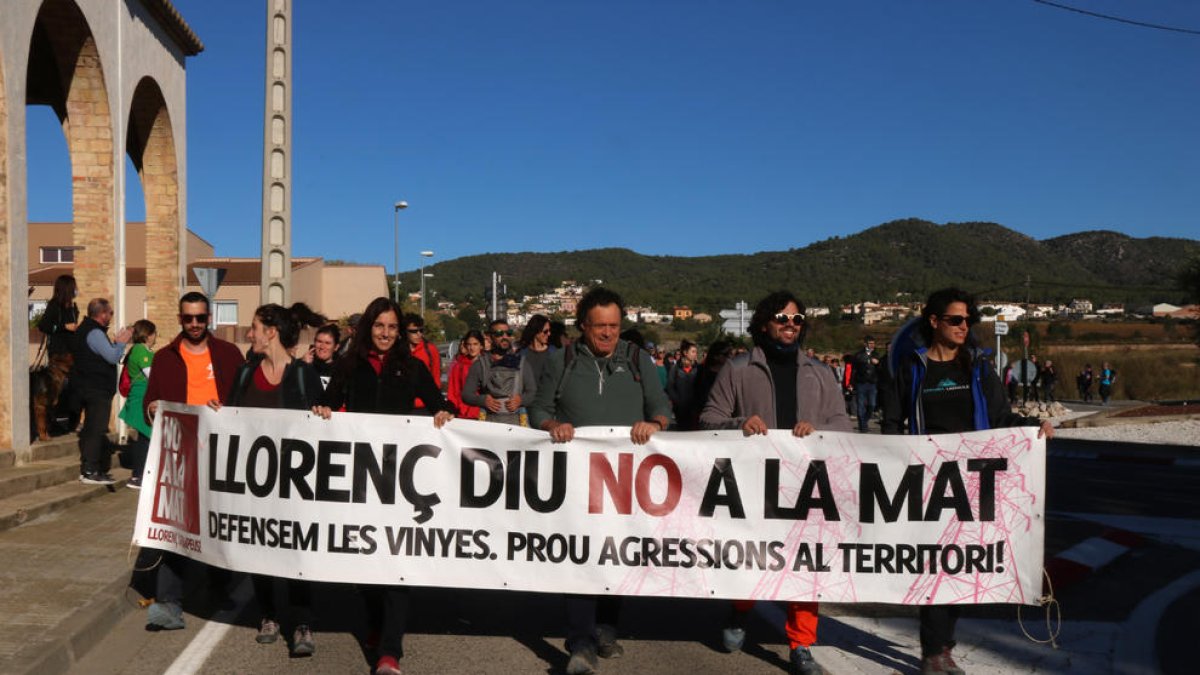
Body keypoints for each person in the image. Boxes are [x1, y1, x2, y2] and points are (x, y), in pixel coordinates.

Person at [881, 287, 1053, 675]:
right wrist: (891, 462)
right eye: (956, 320)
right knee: (933, 565)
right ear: (934, 322)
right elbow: (892, 422)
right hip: (923, 481)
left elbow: (1000, 418)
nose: (964, 327)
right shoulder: (911, 368)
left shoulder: (976, 366)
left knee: (959, 567)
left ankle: (940, 646)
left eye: (968, 321)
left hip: (971, 484)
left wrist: (1032, 428)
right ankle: (935, 651)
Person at [699, 291, 852, 675]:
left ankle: (801, 644)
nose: (790, 325)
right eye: (782, 319)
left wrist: (817, 430)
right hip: (752, 485)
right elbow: (708, 419)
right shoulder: (737, 369)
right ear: (765, 323)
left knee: (805, 564)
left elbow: (843, 424)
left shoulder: (820, 372)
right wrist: (739, 423)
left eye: (797, 320)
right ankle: (741, 608)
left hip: (806, 486)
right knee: (753, 557)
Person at [529, 287, 672, 675]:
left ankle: (606, 628)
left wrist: (655, 423)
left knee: (617, 553)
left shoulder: (638, 359)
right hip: (578, 478)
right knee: (582, 555)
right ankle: (581, 643)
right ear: (583, 327)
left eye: (614, 326)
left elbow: (662, 407)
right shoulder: (564, 360)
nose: (608, 334)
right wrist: (551, 424)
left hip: (627, 480)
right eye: (599, 327)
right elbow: (539, 406)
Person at [314, 297, 454, 675]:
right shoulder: (349, 364)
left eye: (393, 328)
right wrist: (323, 409)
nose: (387, 334)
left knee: (396, 565)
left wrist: (442, 411)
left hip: (398, 483)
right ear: (368, 328)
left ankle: (390, 651)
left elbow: (441, 402)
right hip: (360, 481)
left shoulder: (412, 366)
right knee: (366, 569)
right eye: (380, 326)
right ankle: (376, 625)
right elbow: (327, 402)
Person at [219, 303, 325, 656]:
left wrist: (323, 413)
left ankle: (303, 622)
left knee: (296, 552)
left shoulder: (302, 375)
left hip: (294, 484)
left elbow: (322, 428)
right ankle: (268, 615)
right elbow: (230, 418)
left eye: (254, 327)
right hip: (255, 484)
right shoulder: (245, 374)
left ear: (271, 332)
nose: (250, 334)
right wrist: (215, 414)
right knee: (259, 550)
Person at [143, 292, 246, 631]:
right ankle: (168, 603)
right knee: (176, 530)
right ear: (180, 318)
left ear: (209, 318)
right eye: (188, 318)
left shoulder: (230, 355)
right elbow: (149, 401)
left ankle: (220, 585)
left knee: (217, 523)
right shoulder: (164, 358)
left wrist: (230, 412)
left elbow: (246, 401)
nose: (195, 324)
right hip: (181, 452)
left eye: (200, 318)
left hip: (220, 453)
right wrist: (153, 409)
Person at [71, 298, 132, 483]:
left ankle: (93, 468)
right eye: (110, 313)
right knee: (96, 429)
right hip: (95, 389)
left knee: (92, 428)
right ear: (102, 314)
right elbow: (112, 357)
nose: (111, 316)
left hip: (88, 386)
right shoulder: (95, 333)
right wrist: (121, 343)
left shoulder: (86, 329)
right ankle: (90, 470)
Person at [463, 319, 535, 426]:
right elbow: (466, 395)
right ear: (490, 337)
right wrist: (483, 400)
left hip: (517, 422)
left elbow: (532, 392)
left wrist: (521, 400)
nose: (504, 337)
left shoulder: (522, 363)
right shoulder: (480, 364)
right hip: (489, 423)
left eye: (508, 333)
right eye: (499, 334)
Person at [118, 320, 156, 489]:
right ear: (148, 335)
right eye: (154, 333)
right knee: (145, 437)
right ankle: (138, 476)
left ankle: (141, 474)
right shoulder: (141, 351)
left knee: (145, 437)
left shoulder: (141, 350)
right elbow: (152, 375)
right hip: (141, 398)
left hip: (142, 398)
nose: (155, 337)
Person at [404, 313, 442, 408]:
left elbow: (436, 379)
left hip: (425, 405)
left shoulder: (430, 349)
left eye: (421, 330)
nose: (419, 334)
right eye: (414, 331)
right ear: (404, 331)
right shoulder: (398, 350)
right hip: (402, 405)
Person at [447, 329, 485, 419]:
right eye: (469, 344)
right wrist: (452, 411)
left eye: (475, 344)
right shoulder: (459, 366)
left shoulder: (489, 364)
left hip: (483, 413)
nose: (472, 348)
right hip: (463, 414)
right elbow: (453, 392)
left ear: (481, 346)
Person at [666, 339, 701, 429]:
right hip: (680, 409)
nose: (695, 354)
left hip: (695, 408)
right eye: (693, 352)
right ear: (685, 353)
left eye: (696, 352)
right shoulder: (675, 368)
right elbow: (670, 386)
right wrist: (677, 402)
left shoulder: (699, 368)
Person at [849, 336, 881, 432]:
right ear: (865, 344)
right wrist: (851, 383)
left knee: (872, 405)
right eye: (870, 343)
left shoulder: (876, 354)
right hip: (861, 383)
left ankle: (864, 422)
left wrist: (878, 363)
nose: (872, 345)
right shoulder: (858, 355)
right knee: (860, 405)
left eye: (873, 343)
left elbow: (881, 368)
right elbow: (853, 370)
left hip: (872, 383)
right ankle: (863, 426)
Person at [518, 314, 556, 394]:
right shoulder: (522, 354)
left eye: (549, 331)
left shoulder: (553, 352)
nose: (549, 334)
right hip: (527, 400)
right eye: (545, 331)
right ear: (536, 331)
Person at [305, 323, 340, 388]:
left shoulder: (341, 371)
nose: (322, 346)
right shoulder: (303, 366)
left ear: (336, 347)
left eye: (327, 343)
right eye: (319, 341)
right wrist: (304, 367)